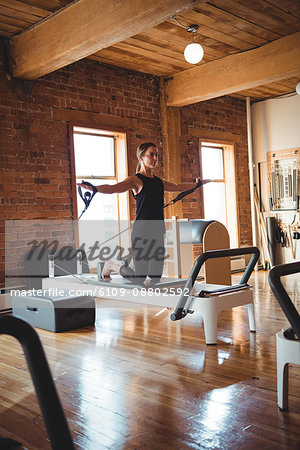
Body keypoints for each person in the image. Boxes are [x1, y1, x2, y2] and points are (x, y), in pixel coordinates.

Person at [78, 142, 210, 284]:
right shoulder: (135, 180)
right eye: (151, 155)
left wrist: (197, 184)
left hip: (157, 232)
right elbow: (113, 188)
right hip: (141, 233)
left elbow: (178, 187)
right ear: (141, 157)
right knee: (139, 278)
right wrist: (94, 188)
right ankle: (111, 265)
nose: (155, 158)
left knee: (154, 276)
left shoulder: (159, 181)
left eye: (156, 155)